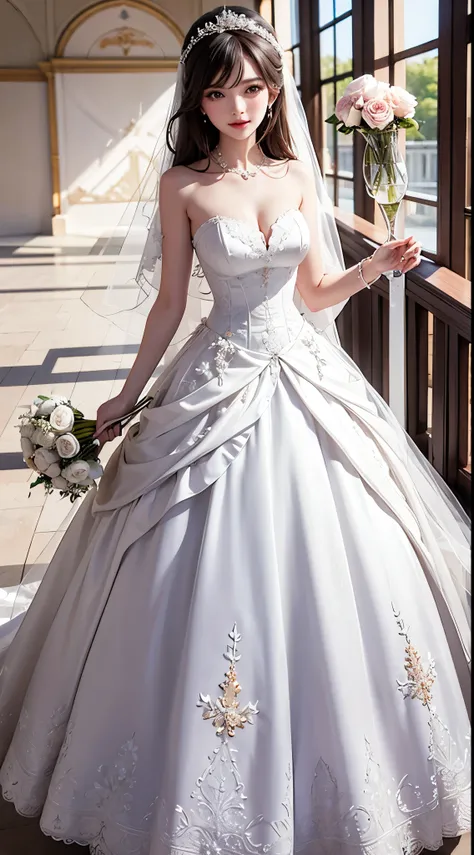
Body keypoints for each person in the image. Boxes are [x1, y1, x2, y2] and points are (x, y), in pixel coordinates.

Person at [0, 7, 470, 855]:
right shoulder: (184, 186)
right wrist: (128, 392)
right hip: (218, 373)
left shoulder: (295, 177)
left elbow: (316, 292)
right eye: (220, 93)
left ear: (273, 88)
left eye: (252, 88)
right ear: (200, 100)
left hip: (302, 372)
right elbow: (173, 305)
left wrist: (375, 265)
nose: (239, 106)